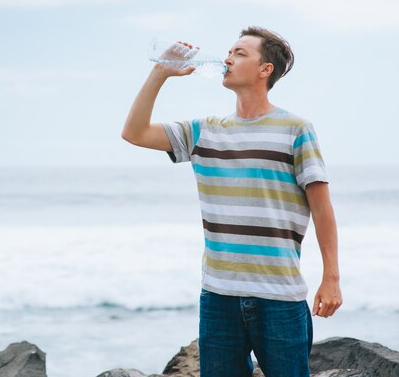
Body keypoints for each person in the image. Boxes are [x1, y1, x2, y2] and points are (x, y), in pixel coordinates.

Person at [121, 27, 342, 377]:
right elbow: (134, 133)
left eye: (240, 53)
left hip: (280, 297)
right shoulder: (204, 130)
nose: (227, 58)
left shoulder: (296, 128)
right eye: (229, 52)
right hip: (218, 296)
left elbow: (322, 207)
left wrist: (331, 278)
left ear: (265, 69)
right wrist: (160, 72)